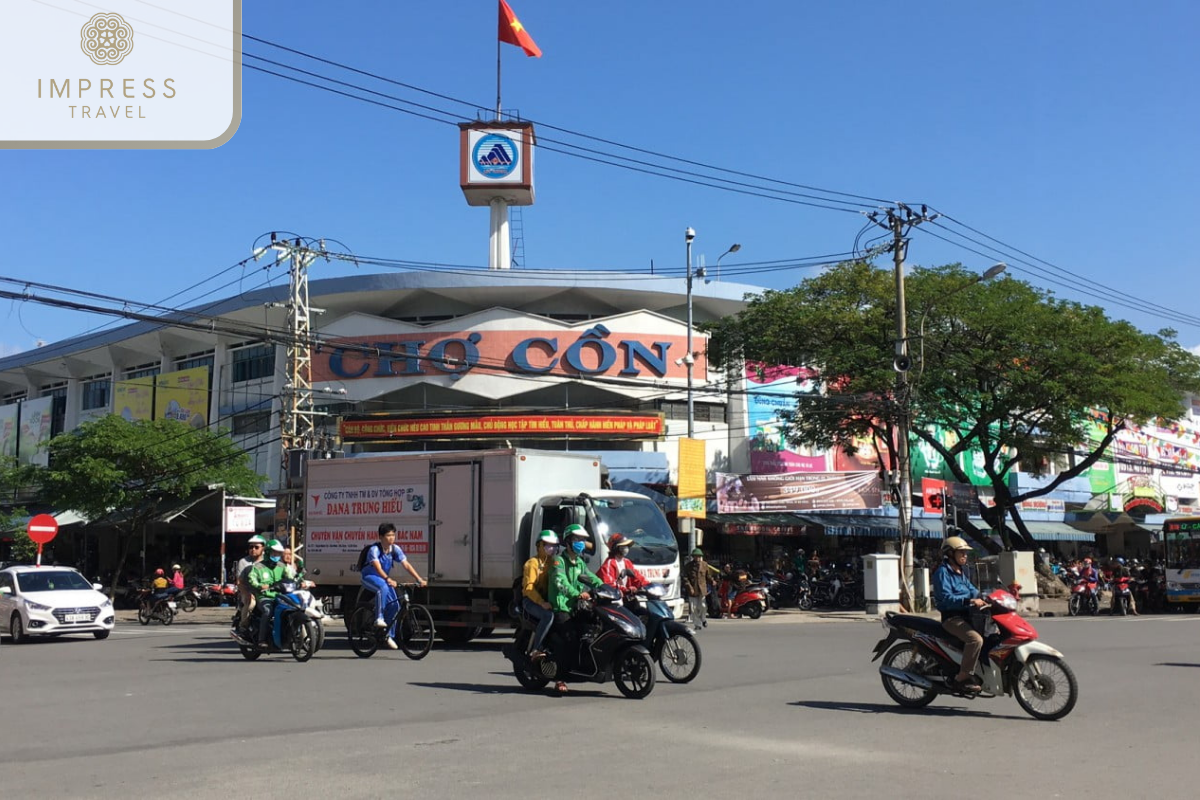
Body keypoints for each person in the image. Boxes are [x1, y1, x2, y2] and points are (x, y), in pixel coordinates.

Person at [547, 524, 604, 693]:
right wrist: (576, 594)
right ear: (568, 541)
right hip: (561, 607)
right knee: (569, 639)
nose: (581, 543)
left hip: (577, 607)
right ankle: (560, 679)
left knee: (596, 624)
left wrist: (605, 587)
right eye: (577, 540)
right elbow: (560, 582)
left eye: (583, 540)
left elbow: (591, 577)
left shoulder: (579, 562)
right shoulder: (559, 561)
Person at [932, 536, 987, 693]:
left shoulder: (960, 572)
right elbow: (947, 598)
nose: (965, 556)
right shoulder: (943, 572)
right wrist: (969, 601)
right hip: (952, 618)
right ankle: (962, 677)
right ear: (950, 554)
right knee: (975, 640)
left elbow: (972, 590)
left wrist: (988, 597)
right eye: (961, 553)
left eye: (965, 553)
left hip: (967, 615)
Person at [361, 522, 427, 650]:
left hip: (384, 579)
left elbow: (406, 564)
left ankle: (388, 635)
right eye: (388, 535)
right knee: (383, 588)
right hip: (369, 577)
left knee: (395, 605)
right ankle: (378, 618)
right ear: (380, 537)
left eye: (393, 535)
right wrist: (388, 578)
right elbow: (377, 567)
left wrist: (418, 579)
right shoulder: (374, 550)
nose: (391, 538)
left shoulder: (395, 549)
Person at [521, 530, 559, 658]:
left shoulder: (554, 562)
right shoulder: (532, 563)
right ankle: (536, 649)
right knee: (547, 616)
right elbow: (529, 588)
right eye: (547, 544)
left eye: (554, 545)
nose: (551, 548)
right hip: (531, 601)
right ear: (539, 546)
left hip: (547, 600)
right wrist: (541, 602)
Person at [248, 539, 288, 646]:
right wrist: (260, 585)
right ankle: (262, 639)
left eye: (279, 553)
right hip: (264, 597)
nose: (277, 555)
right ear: (268, 552)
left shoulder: (282, 566)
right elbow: (252, 578)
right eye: (274, 552)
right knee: (268, 611)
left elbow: (290, 577)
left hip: (281, 597)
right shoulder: (258, 567)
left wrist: (301, 582)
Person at [598, 533, 649, 613]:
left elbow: (636, 577)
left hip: (628, 599)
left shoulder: (627, 562)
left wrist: (648, 585)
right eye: (623, 546)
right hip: (615, 602)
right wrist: (626, 589)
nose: (626, 548)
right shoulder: (609, 563)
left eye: (627, 546)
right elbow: (609, 583)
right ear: (615, 548)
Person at [236, 535, 266, 634]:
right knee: (251, 604)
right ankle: (243, 626)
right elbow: (239, 582)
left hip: (267, 592)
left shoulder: (269, 561)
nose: (253, 549)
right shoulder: (243, 562)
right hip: (248, 592)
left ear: (263, 548)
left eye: (256, 547)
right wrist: (247, 594)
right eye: (251, 547)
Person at [682, 547, 710, 630]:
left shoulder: (704, 565)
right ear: (693, 557)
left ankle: (703, 619)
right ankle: (697, 624)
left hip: (702, 589)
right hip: (693, 590)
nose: (697, 558)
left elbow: (707, 576)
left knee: (703, 606)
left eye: (698, 556)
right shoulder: (688, 566)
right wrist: (689, 587)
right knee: (693, 608)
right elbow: (685, 578)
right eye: (695, 556)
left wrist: (712, 581)